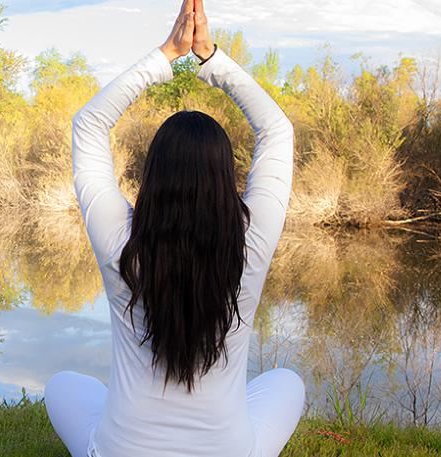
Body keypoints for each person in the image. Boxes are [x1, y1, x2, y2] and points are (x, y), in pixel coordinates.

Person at [44, 1, 305, 456]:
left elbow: (88, 125)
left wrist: (166, 53)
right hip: (230, 450)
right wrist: (211, 57)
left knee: (63, 384)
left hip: (120, 450)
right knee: (286, 382)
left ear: (153, 176)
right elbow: (277, 131)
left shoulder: (120, 243)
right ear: (226, 177)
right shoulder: (251, 243)